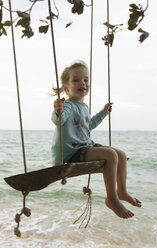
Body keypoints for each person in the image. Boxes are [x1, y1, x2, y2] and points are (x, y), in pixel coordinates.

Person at [51, 60, 141, 219]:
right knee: (111, 155)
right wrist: (58, 111)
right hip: (73, 152)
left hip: (85, 146)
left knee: (120, 154)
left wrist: (103, 113)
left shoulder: (83, 106)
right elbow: (59, 119)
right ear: (66, 87)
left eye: (86, 79)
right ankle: (111, 199)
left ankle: (122, 192)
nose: (82, 83)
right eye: (76, 80)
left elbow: (88, 125)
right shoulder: (68, 106)